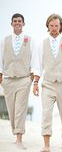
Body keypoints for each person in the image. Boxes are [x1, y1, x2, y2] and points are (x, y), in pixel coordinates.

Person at [33, 13, 62, 152]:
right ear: (47, 26)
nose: (54, 28)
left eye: (56, 25)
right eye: (51, 26)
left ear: (60, 26)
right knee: (46, 113)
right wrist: (36, 82)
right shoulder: (41, 43)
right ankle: (46, 144)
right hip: (48, 83)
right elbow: (37, 65)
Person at [0, 13, 37, 149]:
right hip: (8, 79)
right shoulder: (5, 40)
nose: (17, 23)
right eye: (15, 21)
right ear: (11, 23)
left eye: (19, 21)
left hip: (24, 79)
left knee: (21, 108)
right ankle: (15, 132)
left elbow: (34, 59)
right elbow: (0, 58)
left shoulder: (30, 40)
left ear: (23, 23)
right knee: (11, 109)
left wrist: (33, 77)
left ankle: (19, 138)